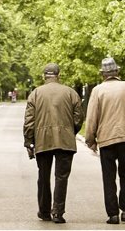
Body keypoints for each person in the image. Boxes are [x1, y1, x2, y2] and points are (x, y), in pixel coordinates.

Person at [85, 57, 125, 225]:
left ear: (103, 74)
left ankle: (113, 215)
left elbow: (91, 118)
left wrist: (91, 139)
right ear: (117, 72)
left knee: (108, 176)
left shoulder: (97, 90)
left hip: (106, 139)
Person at [23, 63, 84, 224]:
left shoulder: (35, 93)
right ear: (59, 75)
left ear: (44, 76)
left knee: (43, 176)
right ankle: (58, 212)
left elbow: (29, 120)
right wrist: (70, 131)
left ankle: (44, 211)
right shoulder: (71, 93)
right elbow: (78, 118)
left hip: (43, 140)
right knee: (61, 177)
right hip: (65, 140)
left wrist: (29, 141)